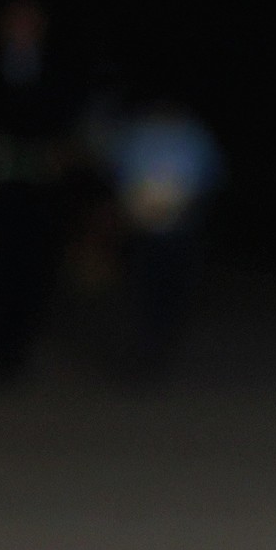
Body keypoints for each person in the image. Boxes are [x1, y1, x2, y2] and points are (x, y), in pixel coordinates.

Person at [0, 0, 77, 376]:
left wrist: (62, 151)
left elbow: (69, 117)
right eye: (14, 21)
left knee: (36, 265)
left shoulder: (58, 67)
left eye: (28, 22)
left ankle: (21, 344)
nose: (21, 29)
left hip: (43, 186)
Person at [105, 95, 222, 376]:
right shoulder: (137, 135)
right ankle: (144, 351)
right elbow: (119, 173)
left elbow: (210, 177)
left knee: (177, 292)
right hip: (143, 232)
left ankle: (162, 346)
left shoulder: (195, 136)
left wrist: (184, 201)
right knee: (143, 291)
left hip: (182, 230)